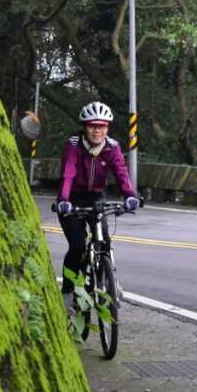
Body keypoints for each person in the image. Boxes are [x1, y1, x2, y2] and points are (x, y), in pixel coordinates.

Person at [56, 101, 140, 309]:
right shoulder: (73, 145)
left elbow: (121, 172)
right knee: (78, 246)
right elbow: (68, 173)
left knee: (104, 241)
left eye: (102, 126)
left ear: (107, 128)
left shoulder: (112, 147)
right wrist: (63, 200)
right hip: (72, 199)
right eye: (93, 125)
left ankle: (111, 282)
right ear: (84, 127)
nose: (97, 130)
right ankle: (67, 292)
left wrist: (130, 195)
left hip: (96, 197)